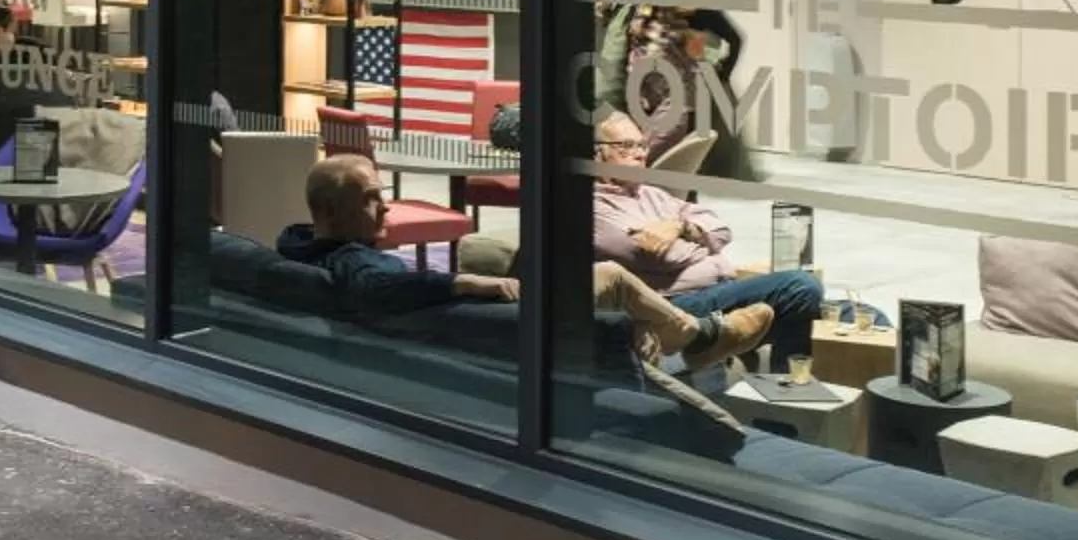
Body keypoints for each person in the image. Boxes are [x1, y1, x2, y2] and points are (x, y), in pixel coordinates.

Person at [279, 155, 769, 373]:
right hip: (484, 324)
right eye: (369, 199)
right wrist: (463, 283)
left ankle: (675, 341)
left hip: (469, 319)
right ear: (326, 212)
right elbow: (376, 287)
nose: (385, 208)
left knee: (614, 311)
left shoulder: (296, 247)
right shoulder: (351, 261)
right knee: (613, 278)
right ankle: (699, 337)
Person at [589, 110, 820, 364]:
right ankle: (785, 386)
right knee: (799, 288)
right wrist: (704, 246)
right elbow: (663, 257)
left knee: (845, 311)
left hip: (717, 288)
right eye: (626, 146)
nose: (641, 153)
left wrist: (681, 228)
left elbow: (721, 229)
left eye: (642, 144)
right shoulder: (596, 207)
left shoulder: (650, 194)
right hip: (674, 305)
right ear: (598, 153)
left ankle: (783, 385)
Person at [597, 0, 750, 178]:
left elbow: (735, 39)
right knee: (655, 170)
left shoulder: (693, 6)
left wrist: (720, 75)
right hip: (640, 100)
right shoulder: (644, 1)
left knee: (642, 164)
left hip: (674, 103)